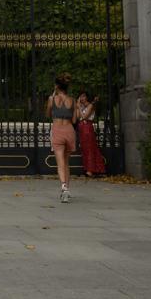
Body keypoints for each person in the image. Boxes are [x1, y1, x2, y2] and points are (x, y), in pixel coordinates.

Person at [46, 73, 76, 203]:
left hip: (58, 130)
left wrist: (52, 96)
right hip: (69, 130)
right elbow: (74, 120)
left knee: (60, 163)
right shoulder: (72, 100)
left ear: (57, 86)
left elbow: (48, 114)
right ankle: (67, 189)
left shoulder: (52, 99)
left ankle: (64, 188)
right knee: (66, 162)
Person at [74, 92, 106, 177]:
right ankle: (88, 168)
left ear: (87, 97)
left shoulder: (90, 105)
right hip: (81, 127)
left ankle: (91, 170)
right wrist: (78, 107)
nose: (82, 98)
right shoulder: (80, 106)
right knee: (84, 148)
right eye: (80, 96)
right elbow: (78, 117)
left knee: (89, 148)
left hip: (87, 127)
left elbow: (84, 116)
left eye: (83, 96)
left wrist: (79, 108)